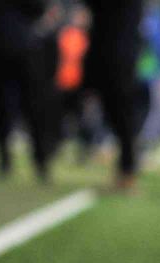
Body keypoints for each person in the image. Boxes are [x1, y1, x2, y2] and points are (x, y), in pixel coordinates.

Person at [0, 0, 61, 182]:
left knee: (18, 109)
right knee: (14, 109)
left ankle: (29, 160)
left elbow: (38, 9)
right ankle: (34, 161)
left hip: (12, 52)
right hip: (15, 51)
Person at [83, 0, 145, 191]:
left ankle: (128, 169)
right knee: (114, 114)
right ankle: (125, 167)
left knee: (122, 116)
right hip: (108, 55)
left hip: (118, 58)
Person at [56, 5, 95, 161]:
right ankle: (55, 148)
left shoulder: (89, 38)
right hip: (64, 83)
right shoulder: (65, 35)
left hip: (81, 85)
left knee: (83, 119)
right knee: (60, 118)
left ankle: (85, 150)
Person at [136, 1, 160, 145]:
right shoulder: (156, 19)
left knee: (138, 108)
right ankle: (147, 139)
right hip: (153, 72)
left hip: (134, 73)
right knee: (159, 108)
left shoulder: (135, 17)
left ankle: (136, 137)